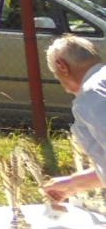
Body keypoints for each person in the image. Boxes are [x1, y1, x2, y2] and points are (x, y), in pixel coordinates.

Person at [42, 34, 106, 201]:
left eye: (56, 75)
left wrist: (73, 183)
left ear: (62, 66)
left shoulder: (90, 97)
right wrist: (73, 184)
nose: (62, 86)